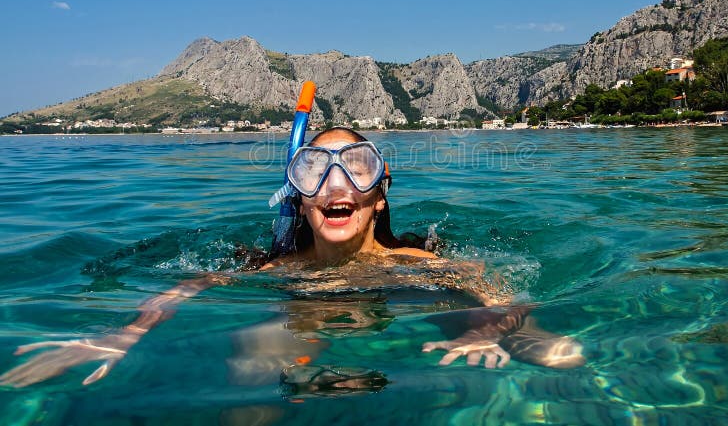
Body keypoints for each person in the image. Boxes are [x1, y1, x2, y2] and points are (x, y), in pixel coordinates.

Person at [0, 127, 584, 388]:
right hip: (305, 307)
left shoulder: (418, 261)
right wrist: (120, 335)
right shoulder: (273, 268)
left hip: (408, 305)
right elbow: (186, 287)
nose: (336, 185)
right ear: (299, 201)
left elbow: (500, 287)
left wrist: (488, 328)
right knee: (253, 364)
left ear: (379, 195)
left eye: (356, 168)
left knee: (562, 356)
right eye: (314, 171)